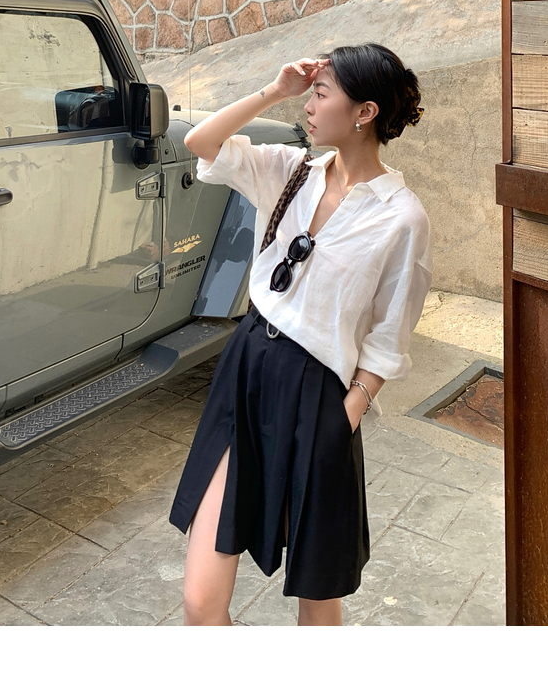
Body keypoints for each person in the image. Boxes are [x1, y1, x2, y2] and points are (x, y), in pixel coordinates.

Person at [168, 43, 433, 626]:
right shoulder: (291, 171)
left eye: (320, 94)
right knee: (200, 601)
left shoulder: (400, 218)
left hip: (318, 395)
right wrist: (275, 90)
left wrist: (345, 417)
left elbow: (388, 338)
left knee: (318, 593)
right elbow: (201, 143)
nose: (307, 107)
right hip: (247, 370)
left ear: (364, 112)